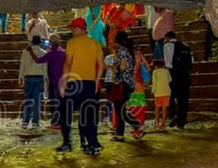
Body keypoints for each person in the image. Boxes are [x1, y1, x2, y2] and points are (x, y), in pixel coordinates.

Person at [57, 17, 104, 155]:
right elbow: (101, 65)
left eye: (72, 28)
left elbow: (67, 63)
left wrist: (63, 83)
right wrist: (96, 81)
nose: (71, 31)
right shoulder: (95, 44)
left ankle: (67, 143)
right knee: (89, 115)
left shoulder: (72, 43)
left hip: (73, 83)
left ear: (78, 28)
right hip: (89, 83)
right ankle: (92, 144)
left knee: (66, 114)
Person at [109, 31, 144, 141]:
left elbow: (123, 66)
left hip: (122, 83)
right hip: (129, 82)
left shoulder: (121, 50)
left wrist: (115, 65)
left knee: (120, 110)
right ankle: (121, 134)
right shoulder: (129, 50)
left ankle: (138, 125)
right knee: (121, 109)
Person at [28, 32, 66, 128]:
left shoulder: (51, 54)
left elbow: (38, 60)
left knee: (55, 102)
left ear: (52, 43)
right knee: (58, 102)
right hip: (61, 80)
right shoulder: (62, 52)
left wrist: (30, 51)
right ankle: (58, 121)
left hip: (54, 81)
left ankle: (55, 122)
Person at [164, 30, 193, 129]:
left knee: (169, 96)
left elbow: (168, 63)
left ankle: (173, 114)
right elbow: (191, 61)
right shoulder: (185, 45)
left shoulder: (167, 46)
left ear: (167, 37)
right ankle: (181, 122)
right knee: (183, 99)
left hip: (174, 74)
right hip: (185, 75)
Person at [19, 35, 47, 129]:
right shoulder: (43, 52)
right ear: (40, 42)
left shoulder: (25, 52)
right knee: (37, 101)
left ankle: (25, 121)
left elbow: (22, 65)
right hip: (39, 78)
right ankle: (35, 122)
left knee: (28, 100)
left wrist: (20, 77)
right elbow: (44, 67)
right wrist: (46, 79)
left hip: (28, 78)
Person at [151, 59, 172, 130]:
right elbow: (170, 80)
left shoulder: (155, 72)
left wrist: (153, 90)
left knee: (157, 108)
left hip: (158, 93)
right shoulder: (166, 71)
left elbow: (154, 82)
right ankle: (163, 124)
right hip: (166, 92)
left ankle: (156, 122)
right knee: (164, 109)